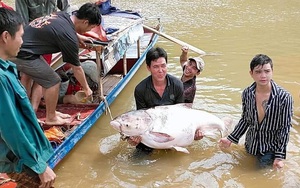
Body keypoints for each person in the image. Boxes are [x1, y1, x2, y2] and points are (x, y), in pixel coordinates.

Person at [11, 3, 102, 126]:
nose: (88, 31)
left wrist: (78, 36)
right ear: (85, 22)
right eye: (90, 28)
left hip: (20, 47)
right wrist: (86, 88)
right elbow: (76, 68)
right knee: (53, 81)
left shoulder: (63, 16)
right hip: (22, 54)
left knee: (30, 77)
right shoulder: (68, 35)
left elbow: (61, 29)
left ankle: (31, 114)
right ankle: (51, 118)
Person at [0, 8, 56, 187]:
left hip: (25, 153)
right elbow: (11, 128)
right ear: (6, 37)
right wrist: (39, 166)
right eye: (21, 36)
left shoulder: (7, 69)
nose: (22, 42)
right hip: (22, 160)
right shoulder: (1, 78)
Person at [219, 54, 293, 169]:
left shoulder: (284, 97)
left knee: (259, 176)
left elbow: (285, 128)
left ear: (272, 72)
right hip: (251, 145)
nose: (263, 76)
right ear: (251, 74)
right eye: (258, 72)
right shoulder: (247, 93)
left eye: (267, 71)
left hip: (270, 149)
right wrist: (230, 139)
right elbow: (245, 119)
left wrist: (279, 157)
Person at [127, 47, 203, 154]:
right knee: (137, 163)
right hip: (151, 133)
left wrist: (192, 133)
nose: (160, 70)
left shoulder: (177, 85)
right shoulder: (140, 89)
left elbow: (181, 115)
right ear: (148, 68)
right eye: (156, 67)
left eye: (163, 66)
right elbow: (141, 117)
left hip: (172, 130)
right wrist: (134, 138)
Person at [15, 0, 71, 113]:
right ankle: (24, 110)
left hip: (48, 38)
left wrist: (64, 26)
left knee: (41, 75)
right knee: (27, 74)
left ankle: (33, 109)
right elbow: (22, 21)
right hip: (29, 40)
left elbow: (66, 9)